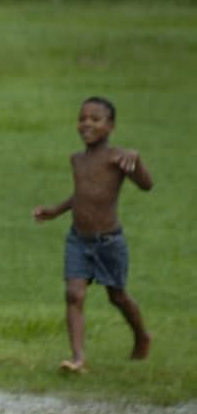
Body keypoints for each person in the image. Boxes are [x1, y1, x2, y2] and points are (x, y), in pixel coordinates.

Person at [32, 96, 154, 373]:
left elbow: (146, 185)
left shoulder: (118, 158)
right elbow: (82, 195)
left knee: (117, 296)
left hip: (109, 242)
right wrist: (55, 211)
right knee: (74, 294)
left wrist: (136, 160)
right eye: (82, 118)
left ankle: (142, 336)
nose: (87, 123)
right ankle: (78, 358)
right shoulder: (77, 160)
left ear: (110, 126)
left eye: (95, 119)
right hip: (78, 240)